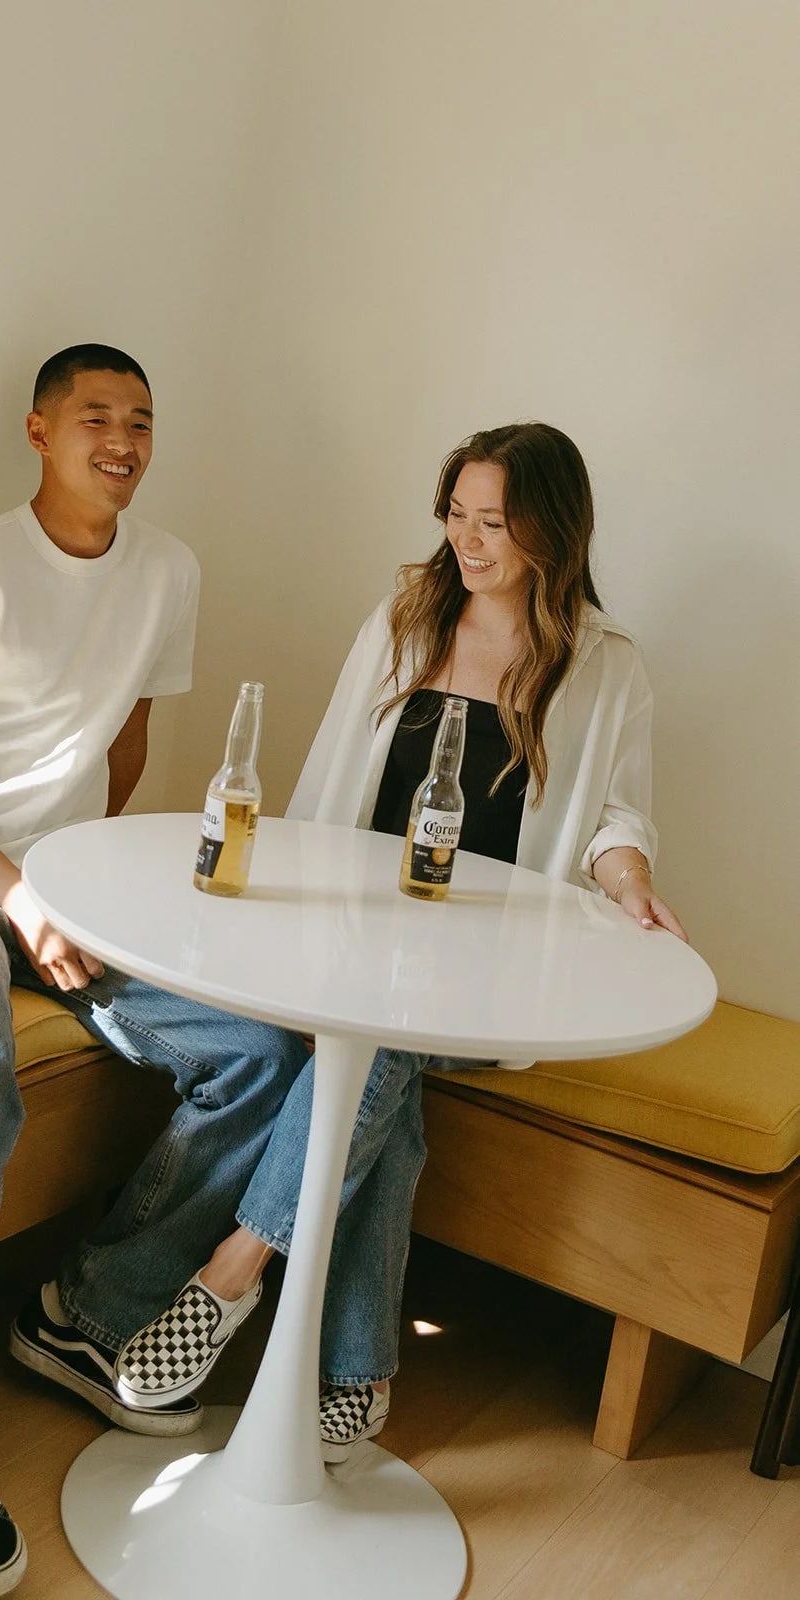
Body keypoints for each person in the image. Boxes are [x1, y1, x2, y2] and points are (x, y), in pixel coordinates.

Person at [66, 421, 688, 1464]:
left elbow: (613, 818)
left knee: (388, 1038)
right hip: (358, 942)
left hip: (492, 964)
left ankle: (233, 1268)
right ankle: (353, 1369)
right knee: (380, 1088)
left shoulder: (603, 665)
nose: (468, 542)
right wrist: (280, 925)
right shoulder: (407, 618)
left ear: (551, 529)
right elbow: (322, 787)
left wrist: (631, 880)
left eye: (493, 522)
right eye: (455, 515)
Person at [0, 343, 309, 1599]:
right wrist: (14, 890)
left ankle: (82, 1315)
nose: (123, 437)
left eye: (142, 419)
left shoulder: (168, 571)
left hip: (55, 884)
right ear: (37, 429)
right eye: (96, 413)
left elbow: (126, 739)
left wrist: (74, 886)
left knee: (257, 1050)